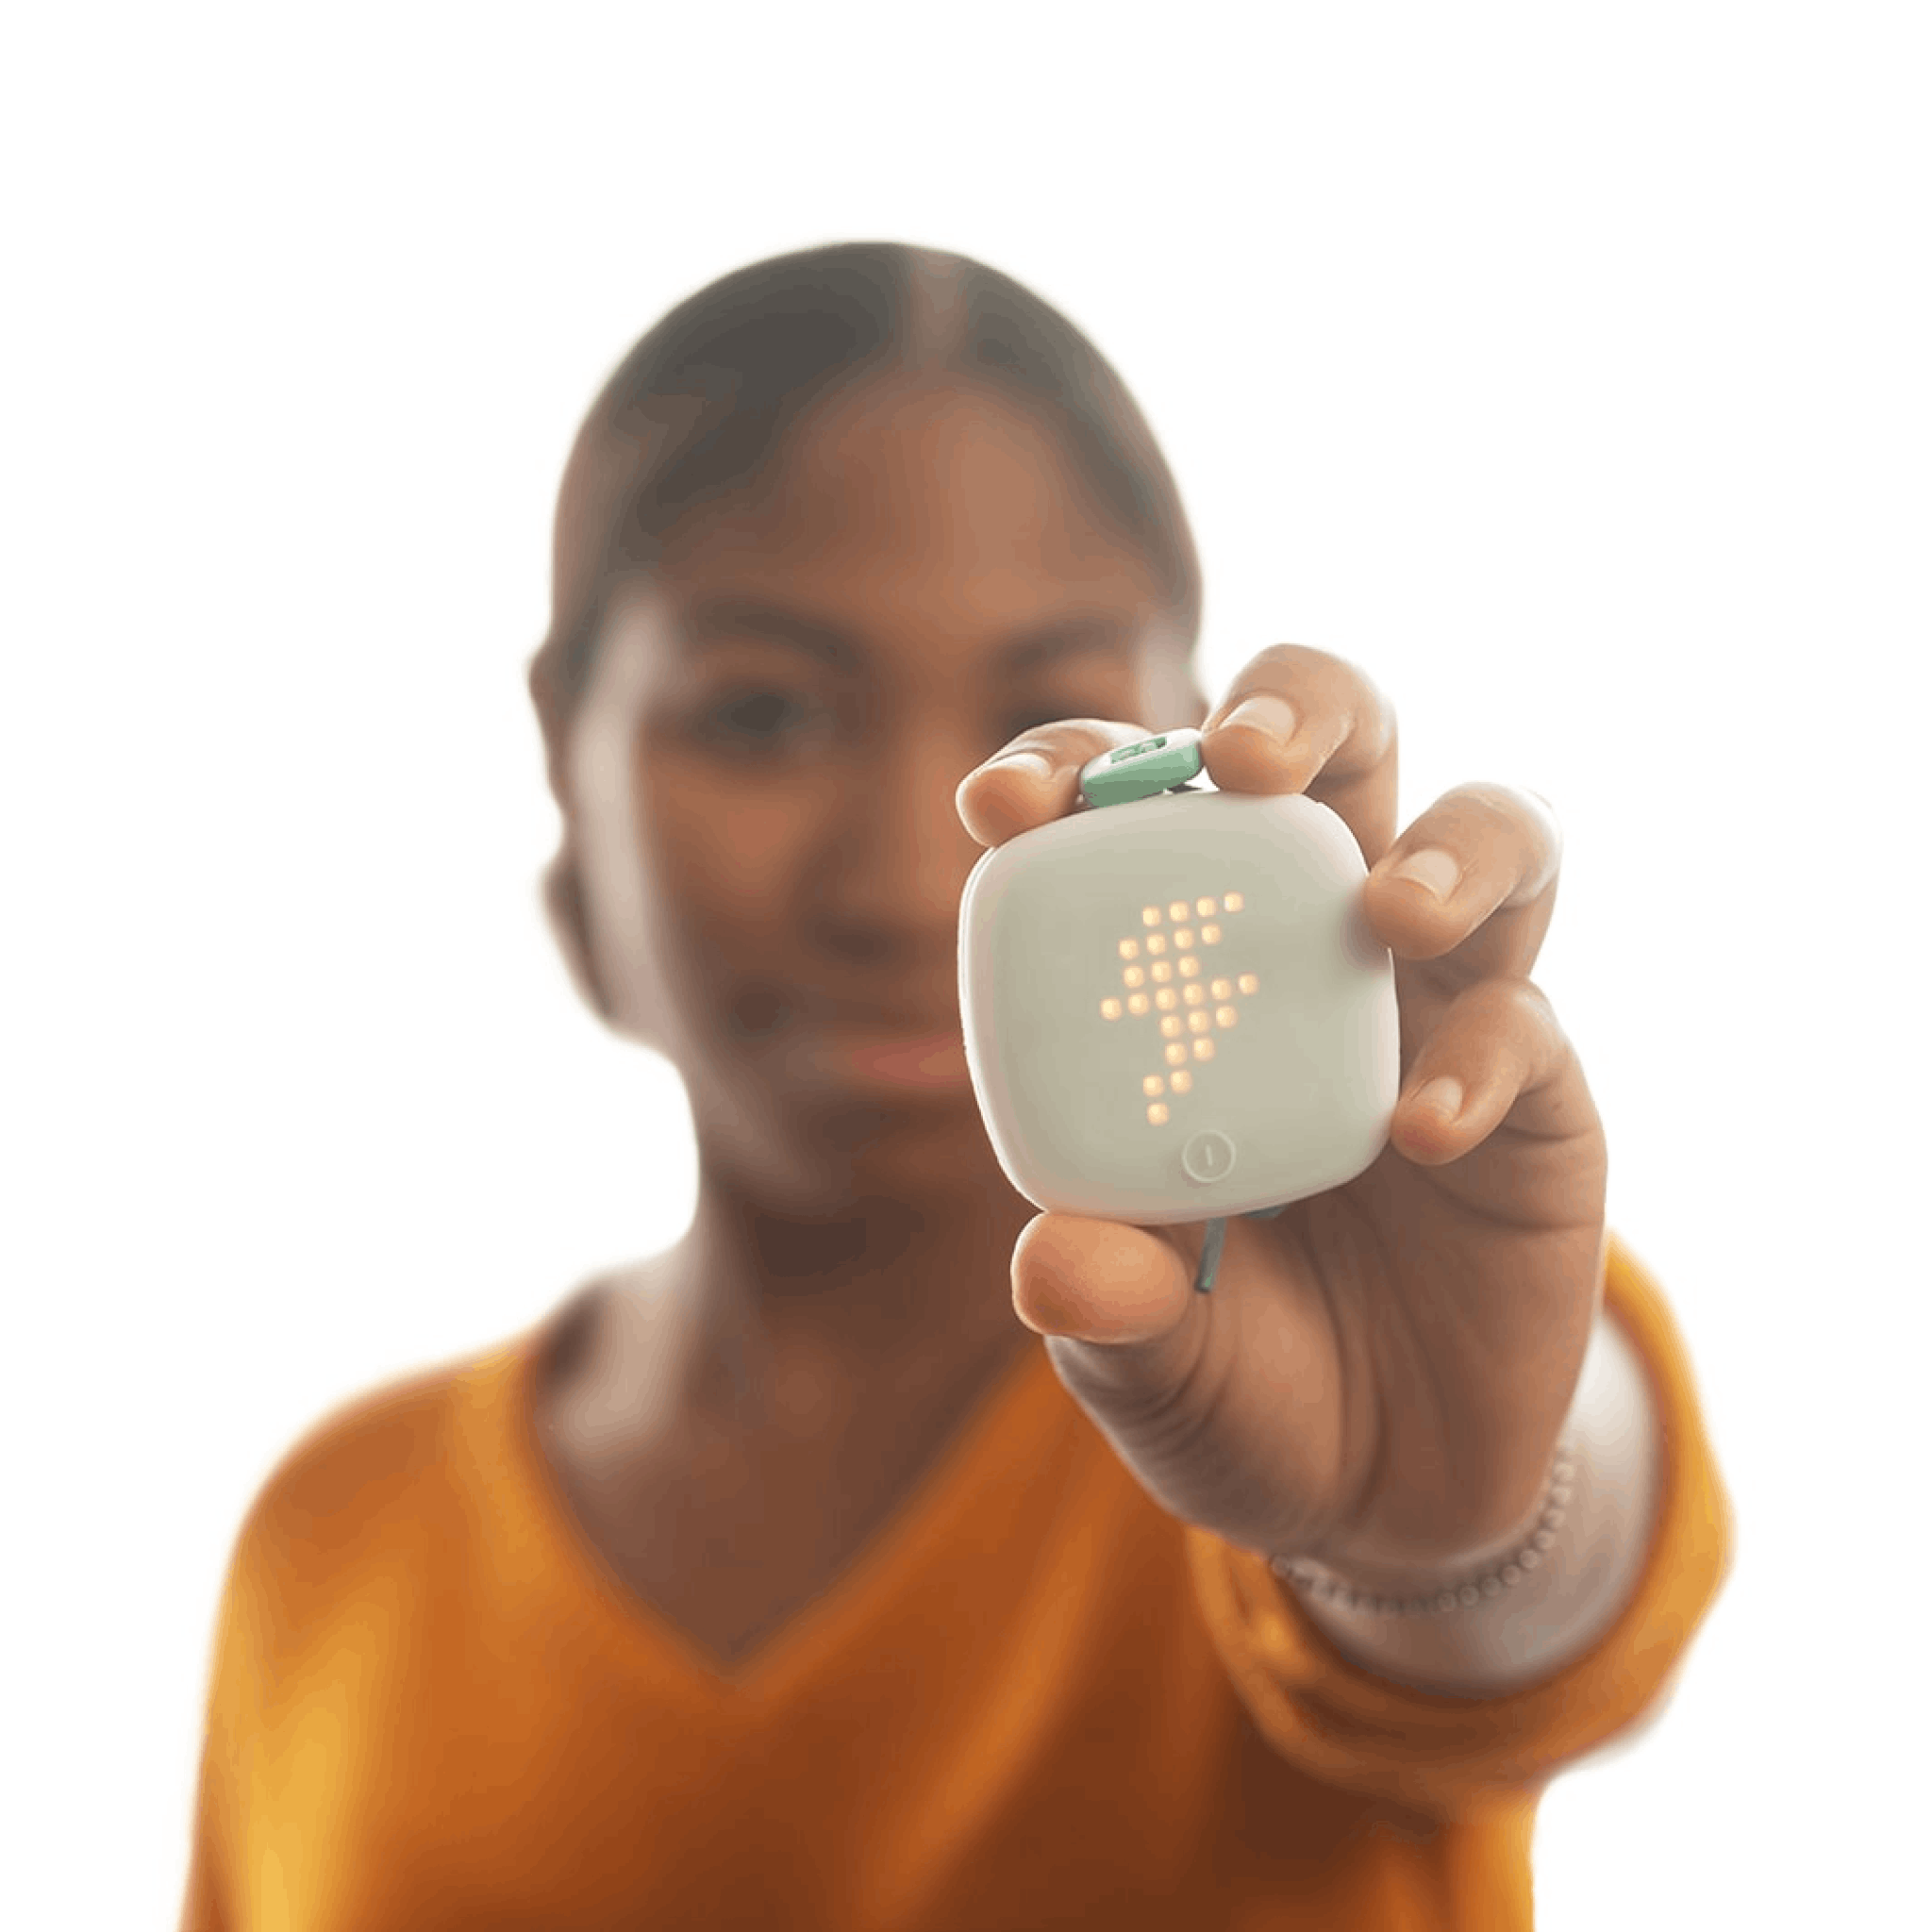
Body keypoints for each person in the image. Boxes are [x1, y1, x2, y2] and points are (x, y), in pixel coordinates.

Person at [178, 243, 1731, 1930]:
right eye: (765, 712)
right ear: (567, 742)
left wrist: (1437, 1538)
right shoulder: (334, 1543)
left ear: (1194, 750)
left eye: (1045, 702)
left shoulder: (1378, 1304)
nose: (917, 886)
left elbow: (1536, 1552)